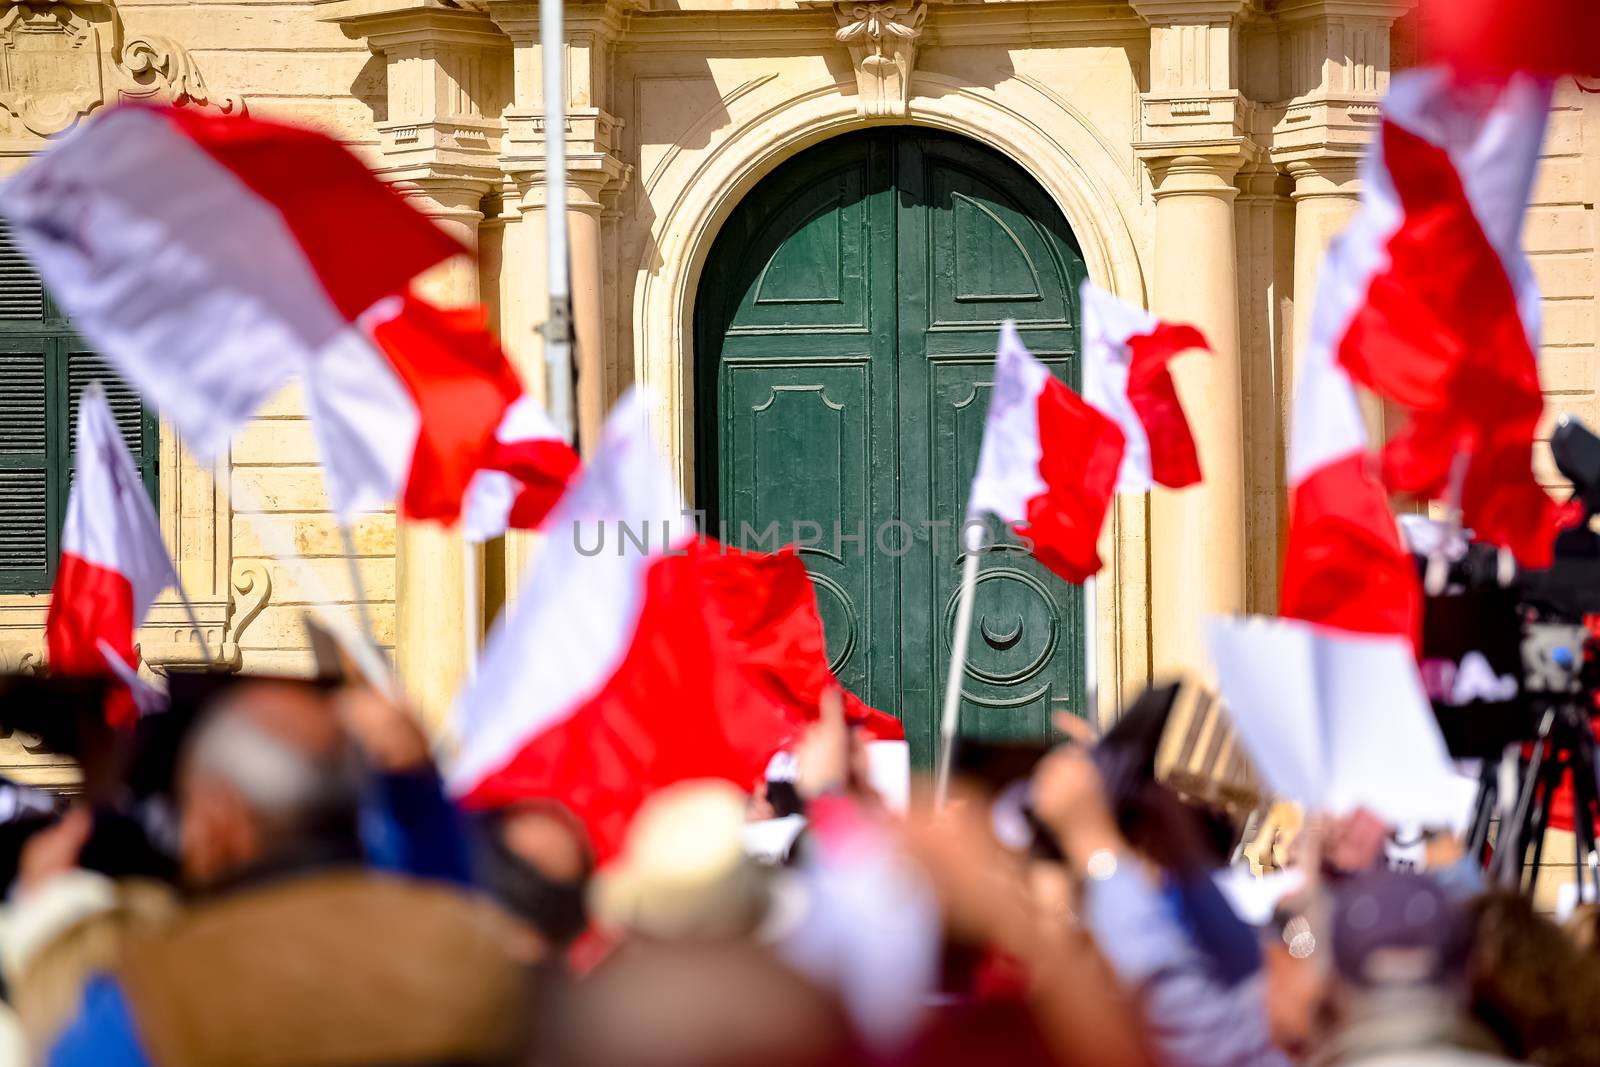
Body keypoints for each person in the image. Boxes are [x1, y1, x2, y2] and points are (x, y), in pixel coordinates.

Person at [41, 679, 530, 1067]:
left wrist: (40, 919)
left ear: (219, 819)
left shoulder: (155, 1003)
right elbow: (439, 894)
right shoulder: (469, 950)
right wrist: (416, 788)